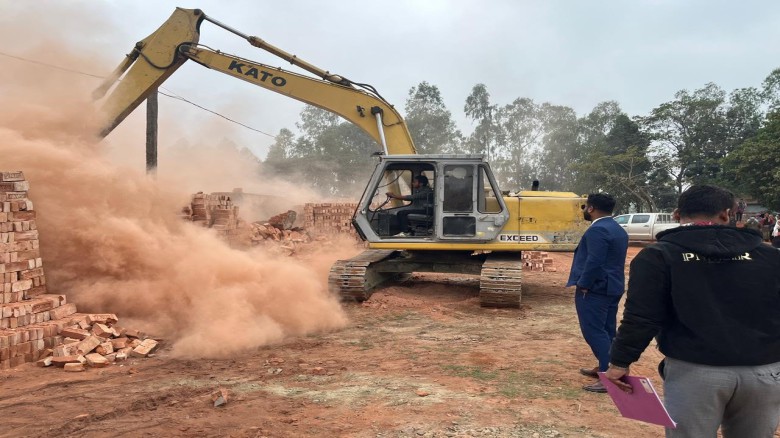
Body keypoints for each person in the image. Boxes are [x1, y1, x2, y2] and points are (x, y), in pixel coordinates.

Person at [604, 185, 780, 437]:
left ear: (677, 214)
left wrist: (620, 361)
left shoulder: (658, 256)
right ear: (726, 215)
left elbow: (642, 316)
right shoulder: (770, 256)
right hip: (765, 373)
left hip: (695, 373)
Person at [566, 193, 628, 393]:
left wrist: (584, 283)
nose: (585, 210)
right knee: (608, 330)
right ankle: (608, 366)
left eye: (586, 207)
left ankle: (608, 374)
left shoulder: (598, 230)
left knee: (593, 331)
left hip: (595, 288)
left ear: (591, 208)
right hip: (613, 286)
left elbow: (595, 260)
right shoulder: (617, 228)